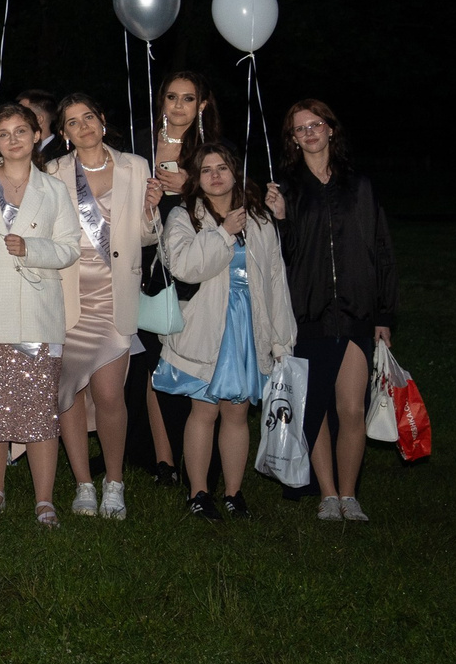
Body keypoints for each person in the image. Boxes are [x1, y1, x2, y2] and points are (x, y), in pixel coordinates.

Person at [0, 103, 80, 525]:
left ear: (35, 134)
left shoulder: (55, 189)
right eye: (3, 133)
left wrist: (32, 249)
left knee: (41, 409)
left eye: (21, 131)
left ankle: (45, 500)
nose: (12, 139)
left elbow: (69, 248)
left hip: (36, 314)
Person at [269, 100, 397, 523]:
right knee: (315, 406)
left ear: (330, 130)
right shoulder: (286, 189)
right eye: (299, 128)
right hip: (309, 313)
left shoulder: (359, 186)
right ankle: (326, 494)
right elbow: (282, 260)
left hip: (357, 311)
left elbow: (381, 249)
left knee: (352, 408)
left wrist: (383, 314)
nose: (308, 133)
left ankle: (349, 494)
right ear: (291, 138)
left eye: (315, 124)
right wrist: (282, 221)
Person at [156, 142, 294, 519]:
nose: (215, 175)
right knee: (204, 410)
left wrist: (282, 339)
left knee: (237, 411)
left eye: (222, 167)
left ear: (235, 171)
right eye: (206, 170)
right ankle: (199, 493)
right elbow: (185, 267)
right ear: (197, 180)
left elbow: (275, 280)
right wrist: (223, 233)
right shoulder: (185, 217)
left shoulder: (260, 218)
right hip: (207, 325)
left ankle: (234, 493)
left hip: (249, 325)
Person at [43, 94, 162, 520]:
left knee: (110, 393)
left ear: (103, 120)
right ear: (63, 134)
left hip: (115, 298)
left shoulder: (135, 166)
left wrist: (151, 211)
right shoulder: (54, 173)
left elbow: (147, 237)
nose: (83, 127)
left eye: (89, 117)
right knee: (67, 393)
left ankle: (115, 482)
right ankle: (83, 485)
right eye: (72, 123)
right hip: (68, 299)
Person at [136, 70, 223, 485]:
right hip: (148, 256)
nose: (178, 106)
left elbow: (227, 199)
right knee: (155, 361)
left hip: (193, 262)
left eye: (188, 99)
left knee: (190, 358)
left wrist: (191, 184)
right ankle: (164, 461)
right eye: (171, 97)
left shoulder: (209, 149)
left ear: (202, 104)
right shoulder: (140, 141)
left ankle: (199, 460)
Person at [16, 89, 66, 166]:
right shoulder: (21, 150)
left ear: (39, 119)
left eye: (23, 114)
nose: (16, 119)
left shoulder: (61, 155)